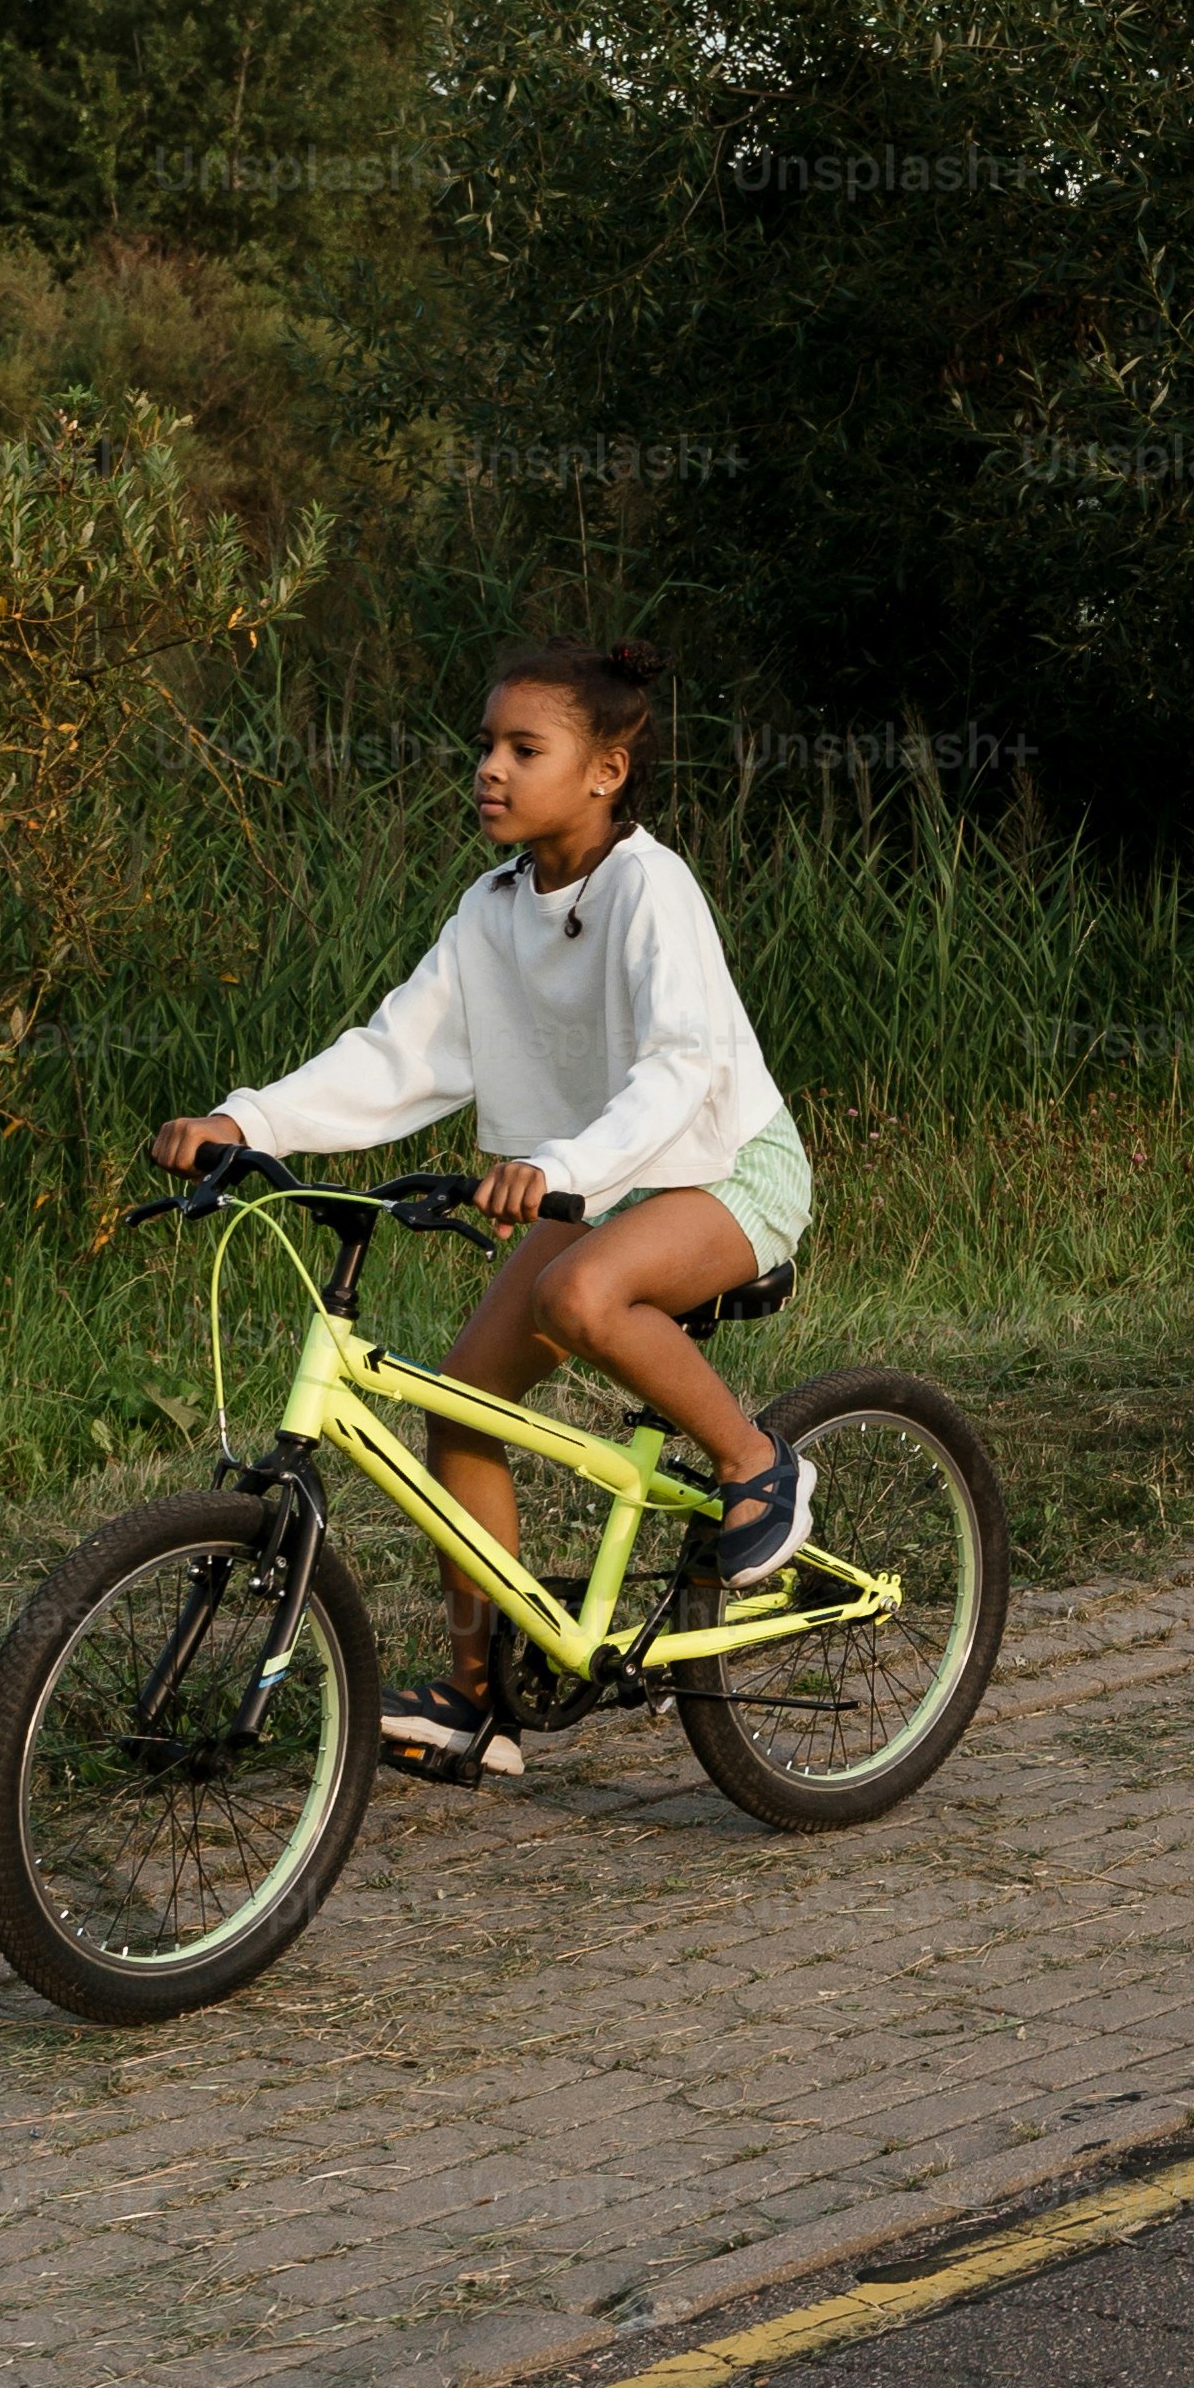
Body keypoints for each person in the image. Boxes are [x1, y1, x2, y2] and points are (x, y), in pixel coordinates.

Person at [148, 636, 817, 1784]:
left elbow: (679, 1067)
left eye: (524, 748)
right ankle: (476, 1698)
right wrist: (245, 1120)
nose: (491, 769)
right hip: (590, 1179)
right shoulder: (492, 907)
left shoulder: (649, 886)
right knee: (461, 1409)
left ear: (605, 770)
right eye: (485, 746)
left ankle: (758, 1463)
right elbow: (396, 1054)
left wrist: (559, 1162)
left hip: (719, 1164)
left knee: (579, 1292)